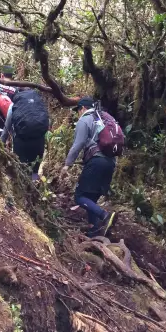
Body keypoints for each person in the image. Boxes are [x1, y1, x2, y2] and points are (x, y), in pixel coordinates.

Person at [61, 97, 117, 238]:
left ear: (83, 109)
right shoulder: (106, 117)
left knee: (79, 197)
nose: (78, 114)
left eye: (78, 111)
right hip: (110, 163)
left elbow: (78, 144)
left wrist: (67, 164)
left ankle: (104, 215)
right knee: (91, 198)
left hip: (96, 162)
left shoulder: (85, 119)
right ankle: (94, 231)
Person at [1, 89, 50, 181]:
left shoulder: (14, 106)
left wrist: (0, 145)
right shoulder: (38, 104)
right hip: (39, 141)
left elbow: (6, 128)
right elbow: (47, 122)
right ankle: (34, 188)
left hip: (21, 141)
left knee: (21, 168)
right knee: (35, 171)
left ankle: (22, 191)